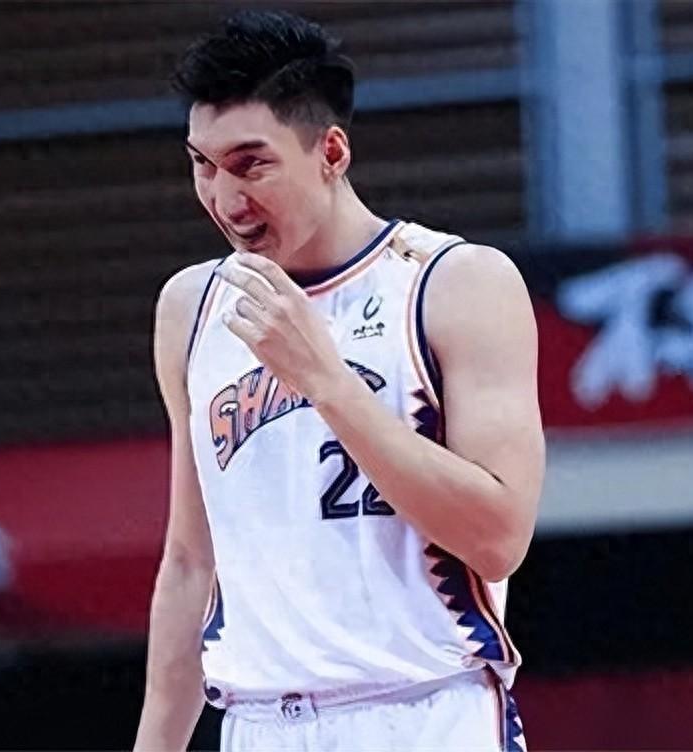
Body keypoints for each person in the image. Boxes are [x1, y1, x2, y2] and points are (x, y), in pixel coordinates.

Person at [134, 9, 544, 752]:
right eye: (203, 165)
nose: (225, 199)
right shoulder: (190, 307)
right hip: (259, 723)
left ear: (330, 151)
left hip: (424, 713)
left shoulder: (455, 283)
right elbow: (192, 562)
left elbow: (498, 538)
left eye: (251, 165)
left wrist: (326, 380)